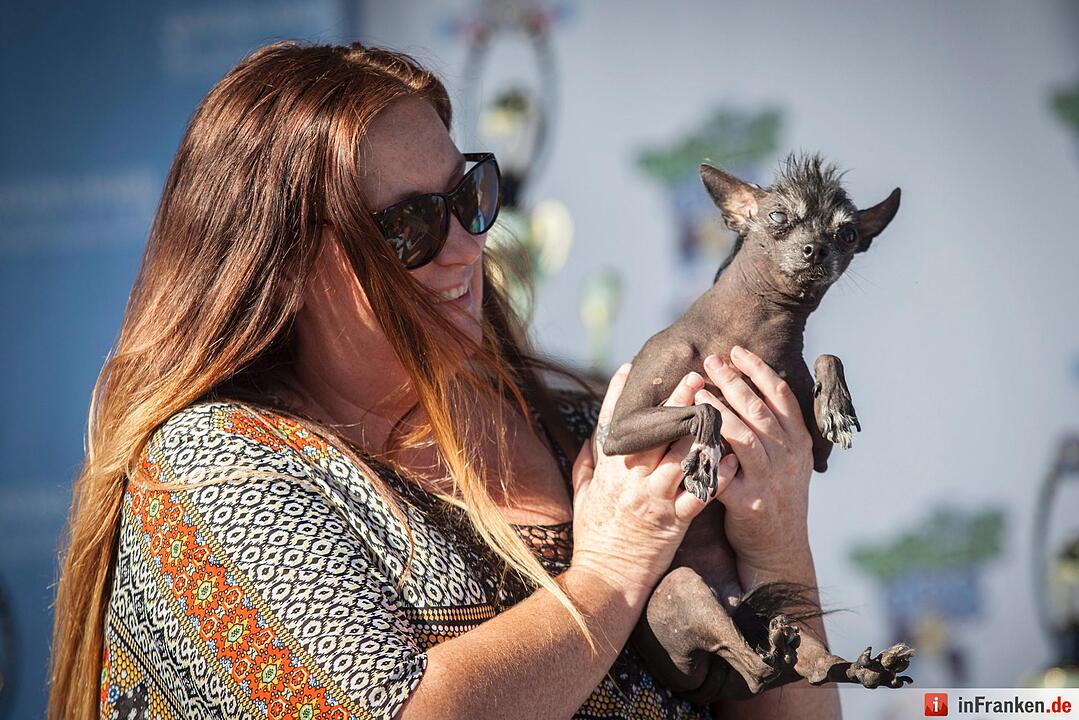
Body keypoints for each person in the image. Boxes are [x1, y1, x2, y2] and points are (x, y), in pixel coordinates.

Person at [47, 40, 841, 720]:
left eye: (468, 197)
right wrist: (611, 573)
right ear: (281, 268)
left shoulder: (578, 421)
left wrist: (774, 544)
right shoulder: (215, 468)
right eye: (408, 228)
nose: (465, 249)